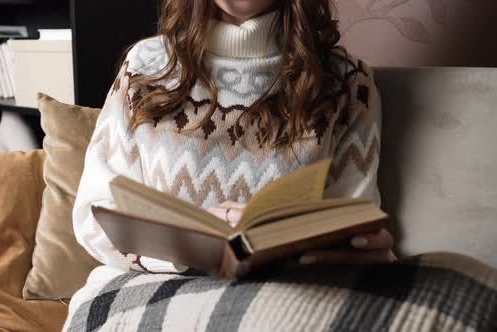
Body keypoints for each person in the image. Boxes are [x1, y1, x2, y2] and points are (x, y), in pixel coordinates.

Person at [73, 0, 396, 275]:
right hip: (149, 294)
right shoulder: (147, 67)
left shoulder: (347, 82)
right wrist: (191, 243)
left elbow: (353, 225)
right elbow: (94, 218)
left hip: (283, 303)